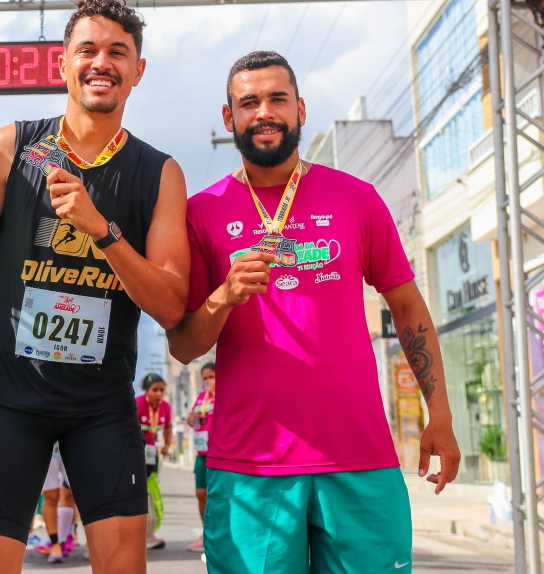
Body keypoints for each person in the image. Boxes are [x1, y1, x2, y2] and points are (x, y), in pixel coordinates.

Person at [168, 50, 461, 574]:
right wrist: (223, 296)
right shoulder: (202, 212)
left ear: (300, 109)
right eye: (249, 102)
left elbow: (407, 306)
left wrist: (439, 413)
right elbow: (184, 346)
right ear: (229, 117)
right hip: (250, 469)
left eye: (277, 99)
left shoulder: (356, 199)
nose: (265, 112)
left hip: (361, 458)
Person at [0, 0, 189, 574]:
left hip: (102, 407)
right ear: (62, 63)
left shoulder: (159, 172)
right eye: (87, 50)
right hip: (8, 402)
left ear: (138, 70)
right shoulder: (11, 146)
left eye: (118, 51)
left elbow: (172, 306)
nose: (102, 62)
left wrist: (102, 230)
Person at [136, 373, 172, 550]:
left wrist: (167, 445)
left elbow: (168, 426)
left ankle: (149, 533)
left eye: (162, 390)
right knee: (137, 492)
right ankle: (136, 534)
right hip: (135, 455)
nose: (159, 394)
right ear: (146, 390)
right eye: (154, 390)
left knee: (151, 492)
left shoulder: (165, 407)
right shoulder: (137, 404)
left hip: (152, 455)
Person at [185, 361, 215, 554]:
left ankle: (217, 533)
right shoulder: (201, 398)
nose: (208, 381)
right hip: (202, 453)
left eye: (211, 377)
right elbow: (192, 418)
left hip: (219, 453)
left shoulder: (226, 394)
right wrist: (191, 418)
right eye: (205, 378)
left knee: (218, 494)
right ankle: (206, 532)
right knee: (201, 493)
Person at [34, 443, 77, 563]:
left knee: (78, 494)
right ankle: (56, 545)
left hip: (72, 444)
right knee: (51, 497)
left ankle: (87, 543)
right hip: (50, 448)